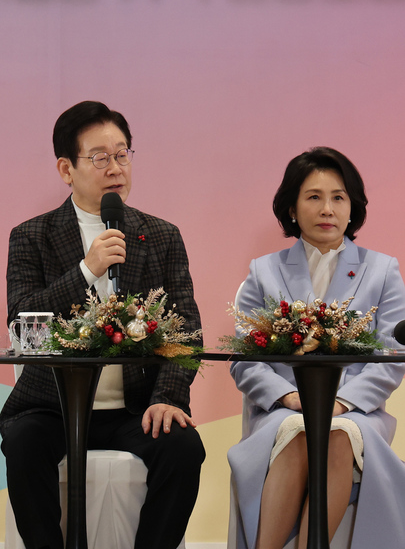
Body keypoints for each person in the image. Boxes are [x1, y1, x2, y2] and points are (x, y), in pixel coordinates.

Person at [0, 100, 205, 549]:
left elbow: (186, 330)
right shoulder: (31, 236)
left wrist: (167, 398)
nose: (115, 168)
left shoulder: (162, 235)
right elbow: (23, 326)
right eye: (99, 157)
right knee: (23, 444)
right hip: (50, 407)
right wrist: (85, 271)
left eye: (122, 154)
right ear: (66, 169)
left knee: (184, 448)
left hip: (134, 407)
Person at [228, 147, 405, 549]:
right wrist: (289, 397)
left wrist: (340, 403)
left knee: (337, 434)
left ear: (352, 206)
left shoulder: (383, 270)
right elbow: (244, 359)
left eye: (338, 197)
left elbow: (392, 356)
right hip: (282, 411)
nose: (327, 209)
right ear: (292, 208)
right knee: (299, 430)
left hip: (358, 412)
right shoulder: (263, 271)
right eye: (314, 197)